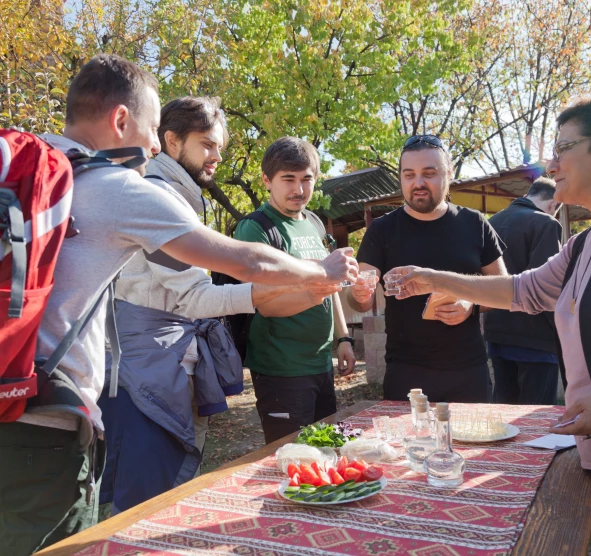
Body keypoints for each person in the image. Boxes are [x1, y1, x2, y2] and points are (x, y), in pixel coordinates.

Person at [0, 55, 358, 555]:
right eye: (151, 129)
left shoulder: (28, 173)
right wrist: (322, 272)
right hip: (50, 416)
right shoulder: (119, 186)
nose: (151, 145)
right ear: (121, 120)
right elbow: (241, 261)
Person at [390, 90, 591, 555]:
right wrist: (432, 278)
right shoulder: (587, 242)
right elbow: (522, 291)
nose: (552, 162)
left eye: (564, 146)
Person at [98, 97, 334, 514]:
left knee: (161, 487)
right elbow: (198, 296)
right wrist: (304, 281)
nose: (218, 157)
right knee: (144, 499)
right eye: (207, 145)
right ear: (172, 141)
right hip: (144, 371)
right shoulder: (157, 195)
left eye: (219, 147)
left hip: (166, 363)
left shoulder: (180, 195)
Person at [348, 134, 507, 403]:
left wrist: (471, 302)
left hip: (468, 371)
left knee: (472, 445)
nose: (418, 183)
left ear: (449, 173)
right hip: (406, 372)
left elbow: (503, 289)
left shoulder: (474, 223)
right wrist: (360, 293)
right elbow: (358, 301)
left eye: (429, 173)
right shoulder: (382, 230)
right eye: (409, 174)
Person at [233, 137, 357, 444]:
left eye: (306, 180)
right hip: (281, 368)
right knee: (292, 457)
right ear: (266, 180)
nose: (299, 190)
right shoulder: (256, 227)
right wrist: (313, 291)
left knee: (325, 452)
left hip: (320, 363)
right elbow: (264, 303)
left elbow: (332, 283)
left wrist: (343, 338)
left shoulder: (315, 223)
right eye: (288, 180)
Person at [485, 177, 562, 405]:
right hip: (536, 337)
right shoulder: (546, 224)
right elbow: (546, 287)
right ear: (553, 205)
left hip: (497, 332)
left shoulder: (491, 222)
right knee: (536, 417)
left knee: (506, 414)